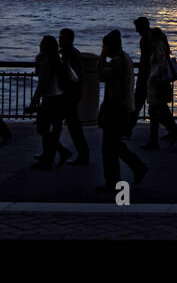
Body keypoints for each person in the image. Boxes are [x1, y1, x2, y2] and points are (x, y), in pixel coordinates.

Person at [96, 30, 148, 193]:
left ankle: (115, 180)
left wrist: (102, 57)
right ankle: (128, 172)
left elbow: (101, 75)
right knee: (114, 146)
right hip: (120, 108)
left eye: (104, 46)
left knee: (108, 148)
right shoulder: (125, 58)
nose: (103, 48)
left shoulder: (117, 61)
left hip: (115, 108)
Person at [27, 35, 73, 169]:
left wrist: (35, 100)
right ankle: (50, 155)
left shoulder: (45, 60)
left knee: (42, 128)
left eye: (41, 43)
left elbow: (42, 82)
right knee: (53, 128)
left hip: (49, 99)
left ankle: (56, 154)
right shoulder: (59, 61)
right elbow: (73, 78)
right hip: (60, 98)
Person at [142, 26, 177, 149]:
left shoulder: (158, 48)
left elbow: (161, 65)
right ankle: (173, 130)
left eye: (149, 35)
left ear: (153, 36)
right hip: (158, 85)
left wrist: (156, 77)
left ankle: (155, 141)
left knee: (154, 112)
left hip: (157, 85)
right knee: (160, 110)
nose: (148, 38)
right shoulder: (161, 47)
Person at [57, 29, 90, 165]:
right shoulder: (71, 53)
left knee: (72, 126)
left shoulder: (70, 55)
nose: (59, 40)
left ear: (69, 39)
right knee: (71, 126)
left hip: (68, 95)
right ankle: (79, 154)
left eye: (62, 38)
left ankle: (80, 155)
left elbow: (72, 77)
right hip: (70, 95)